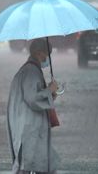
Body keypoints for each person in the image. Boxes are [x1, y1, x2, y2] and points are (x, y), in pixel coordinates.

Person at [7, 38, 61, 174]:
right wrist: (49, 90)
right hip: (28, 128)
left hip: (30, 127)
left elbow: (34, 95)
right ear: (38, 53)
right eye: (47, 54)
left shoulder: (31, 70)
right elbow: (32, 98)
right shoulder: (31, 72)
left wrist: (49, 93)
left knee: (40, 164)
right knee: (29, 165)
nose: (48, 58)